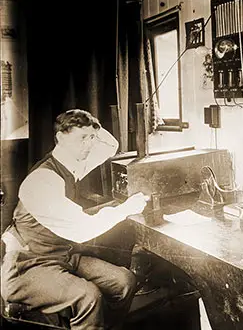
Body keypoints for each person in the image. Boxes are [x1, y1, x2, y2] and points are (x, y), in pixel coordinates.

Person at [1, 109, 149, 329]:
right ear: (61, 137)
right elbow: (82, 230)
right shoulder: (42, 181)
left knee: (124, 282)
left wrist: (89, 125)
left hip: (63, 257)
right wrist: (125, 208)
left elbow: (110, 145)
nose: (89, 145)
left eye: (91, 138)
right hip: (27, 267)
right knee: (88, 296)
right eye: (82, 138)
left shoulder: (73, 164)